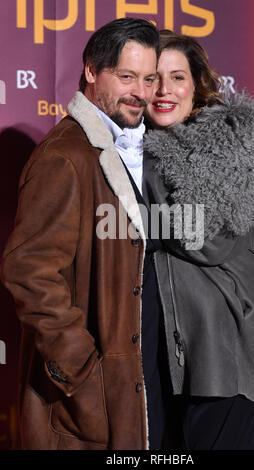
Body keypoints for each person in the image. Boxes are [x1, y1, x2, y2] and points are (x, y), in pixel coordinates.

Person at [0, 18, 167, 450]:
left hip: (126, 383)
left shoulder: (118, 145)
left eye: (149, 78)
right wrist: (81, 369)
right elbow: (29, 271)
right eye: (127, 76)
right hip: (84, 398)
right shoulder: (66, 156)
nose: (142, 92)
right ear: (92, 71)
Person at [142, 30, 254, 450]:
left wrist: (139, 221)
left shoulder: (227, 143)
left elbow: (204, 240)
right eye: (152, 78)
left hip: (226, 352)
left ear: (196, 84)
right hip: (164, 352)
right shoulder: (130, 147)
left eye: (177, 77)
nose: (164, 90)